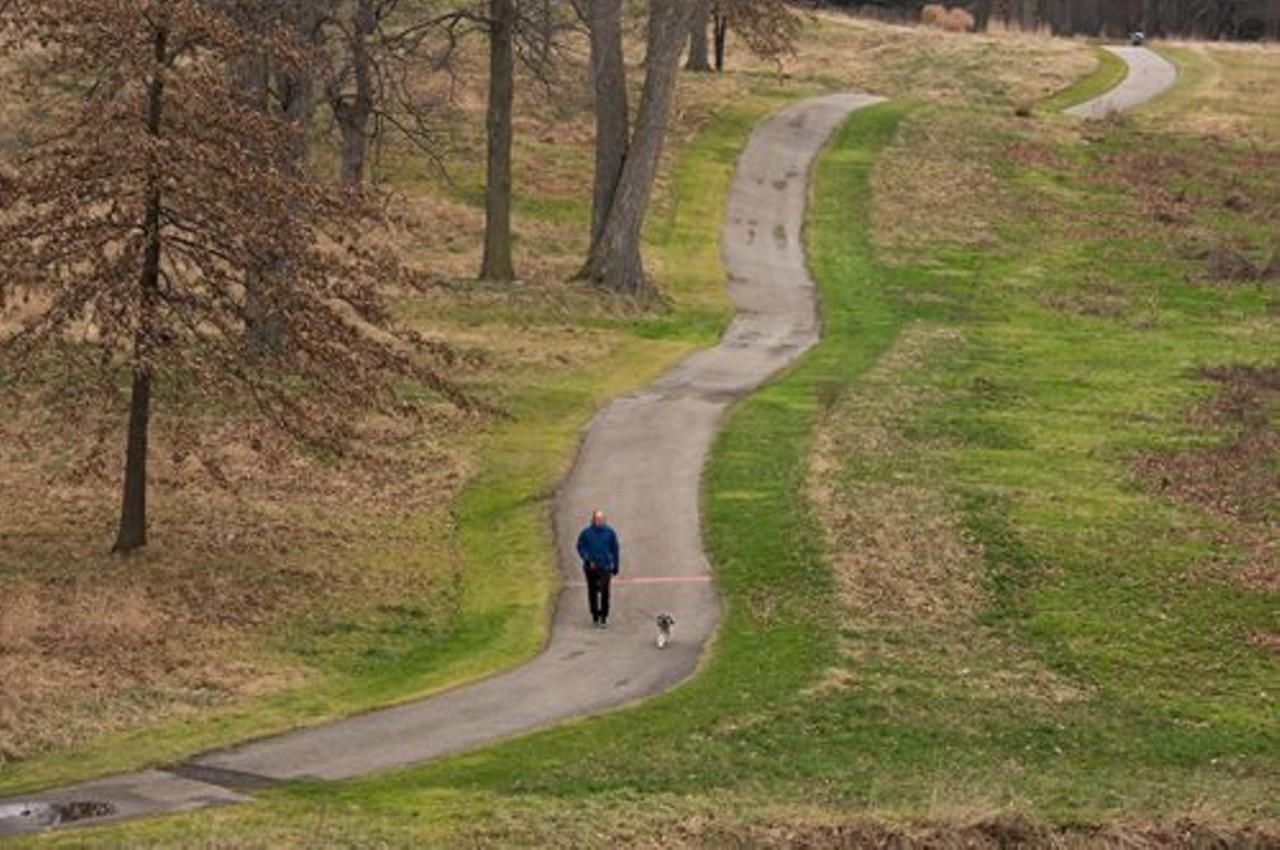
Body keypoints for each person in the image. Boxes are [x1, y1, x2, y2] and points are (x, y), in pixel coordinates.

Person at [575, 509, 620, 628]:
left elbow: (615, 549)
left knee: (605, 591)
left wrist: (615, 566)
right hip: (591, 567)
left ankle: (604, 616)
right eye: (597, 519)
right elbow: (580, 546)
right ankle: (595, 614)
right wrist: (586, 558)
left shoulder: (610, 532)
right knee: (593, 591)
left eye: (601, 519)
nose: (599, 521)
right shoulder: (586, 533)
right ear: (593, 520)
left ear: (604, 520)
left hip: (605, 566)